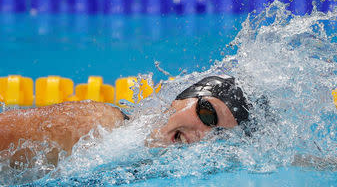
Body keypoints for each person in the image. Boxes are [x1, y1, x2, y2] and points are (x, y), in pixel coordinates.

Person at [0, 75, 251, 168]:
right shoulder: (97, 125)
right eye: (208, 114)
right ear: (181, 99)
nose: (202, 135)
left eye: (219, 136)